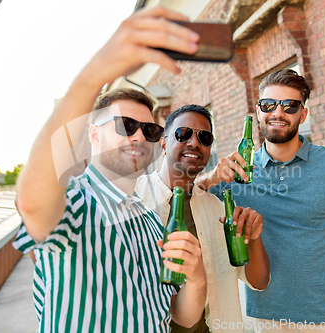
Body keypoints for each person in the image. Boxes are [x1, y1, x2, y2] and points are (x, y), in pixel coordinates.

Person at [14, 7, 209, 332]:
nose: (138, 136)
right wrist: (93, 75)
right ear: (93, 133)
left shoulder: (151, 222)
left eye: (149, 131)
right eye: (125, 125)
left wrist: (197, 277)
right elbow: (32, 203)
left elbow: (180, 315)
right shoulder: (75, 203)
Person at [197, 69, 325, 333]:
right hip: (264, 320)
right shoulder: (237, 173)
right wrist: (212, 176)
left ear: (303, 114)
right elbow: (186, 196)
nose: (277, 113)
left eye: (290, 105)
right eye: (268, 104)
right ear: (258, 112)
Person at [135, 104, 270, 333]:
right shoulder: (133, 200)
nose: (195, 143)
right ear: (164, 142)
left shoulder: (218, 209)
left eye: (205, 137)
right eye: (183, 133)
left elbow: (258, 281)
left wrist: (254, 239)